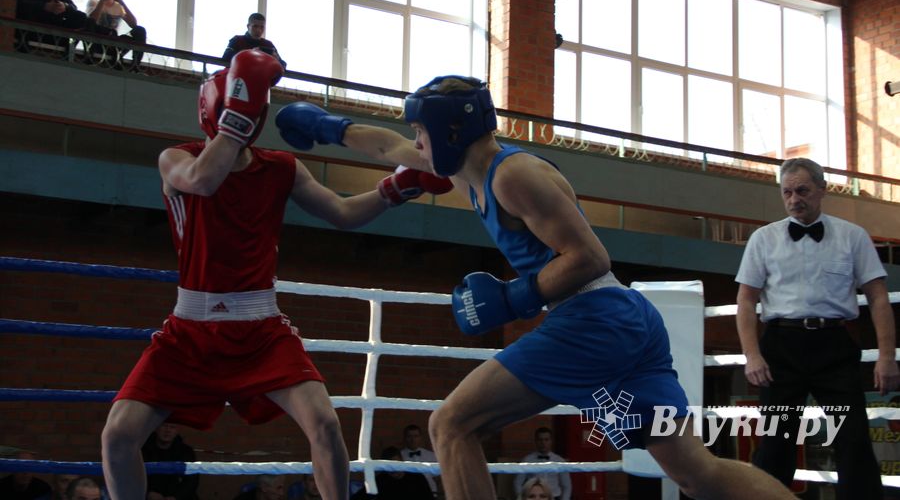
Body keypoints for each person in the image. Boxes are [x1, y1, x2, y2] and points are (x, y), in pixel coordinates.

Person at [275, 75, 797, 500]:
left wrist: (513, 297)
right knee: (697, 475)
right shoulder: (469, 168)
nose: (415, 143)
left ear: (449, 130)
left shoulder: (512, 176)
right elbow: (388, 145)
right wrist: (327, 126)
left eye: (421, 131)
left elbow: (590, 257)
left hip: (593, 319)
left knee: (452, 425)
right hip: (619, 322)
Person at [99, 50, 453, 500]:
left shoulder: (281, 168)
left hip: (261, 329)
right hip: (190, 331)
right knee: (118, 434)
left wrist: (397, 188)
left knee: (324, 423)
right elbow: (204, 181)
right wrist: (236, 120)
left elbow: (342, 213)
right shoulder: (177, 158)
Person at [735, 157, 900, 499]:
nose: (794, 199)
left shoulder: (852, 236)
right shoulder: (764, 239)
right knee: (776, 442)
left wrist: (886, 357)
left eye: (802, 190)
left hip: (834, 344)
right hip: (781, 346)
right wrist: (752, 355)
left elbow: (878, 297)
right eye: (787, 192)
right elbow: (746, 301)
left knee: (853, 438)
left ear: (822, 190)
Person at [85, 0, 147, 69]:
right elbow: (91, 21)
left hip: (113, 43)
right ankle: (89, 57)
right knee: (93, 25)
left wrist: (122, 2)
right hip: (97, 42)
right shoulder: (93, 2)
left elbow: (134, 24)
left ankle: (135, 66)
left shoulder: (118, 7)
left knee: (140, 30)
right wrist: (102, 1)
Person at [141, 422, 200, 500]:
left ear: (177, 431)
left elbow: (192, 480)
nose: (168, 430)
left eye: (172, 427)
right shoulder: (142, 449)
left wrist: (176, 497)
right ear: (156, 428)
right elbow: (133, 476)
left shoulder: (185, 451)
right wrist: (148, 492)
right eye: (164, 426)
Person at [349, 447, 433, 500]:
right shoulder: (380, 480)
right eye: (389, 467)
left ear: (401, 461)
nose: (393, 469)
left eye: (395, 465)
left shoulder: (417, 478)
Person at [513, 427, 570, 500]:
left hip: (555, 497)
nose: (543, 443)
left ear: (551, 441)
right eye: (540, 440)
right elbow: (517, 483)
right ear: (535, 441)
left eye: (546, 440)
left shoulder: (560, 461)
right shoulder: (527, 460)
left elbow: (566, 486)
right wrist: (522, 498)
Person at [399, 424, 438, 496]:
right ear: (405, 438)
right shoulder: (399, 457)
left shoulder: (431, 455)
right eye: (409, 436)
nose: (412, 440)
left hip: (430, 493)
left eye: (416, 436)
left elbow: (438, 478)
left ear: (420, 438)